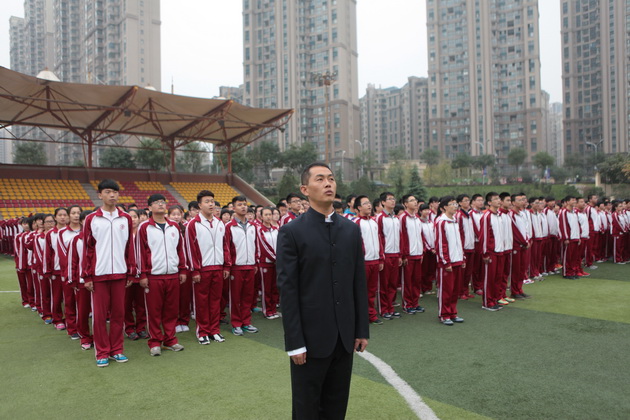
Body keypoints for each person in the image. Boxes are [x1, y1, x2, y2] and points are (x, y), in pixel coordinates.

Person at [276, 162, 369, 419]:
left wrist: (361, 329)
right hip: (309, 340)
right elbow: (288, 290)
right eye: (320, 179)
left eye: (331, 178)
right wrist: (295, 342)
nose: (328, 183)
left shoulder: (351, 230)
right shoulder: (291, 232)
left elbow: (358, 282)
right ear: (305, 189)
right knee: (306, 407)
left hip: (344, 338)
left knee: (336, 406)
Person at [82, 179, 136, 367]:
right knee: (99, 316)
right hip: (99, 274)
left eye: (115, 192)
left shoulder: (126, 218)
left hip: (120, 273)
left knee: (118, 314)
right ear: (99, 195)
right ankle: (102, 352)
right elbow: (87, 249)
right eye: (107, 191)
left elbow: (129, 247)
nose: (112, 195)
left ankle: (117, 350)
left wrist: (130, 271)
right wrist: (87, 275)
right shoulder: (92, 219)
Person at [136, 194, 187, 356]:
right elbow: (140, 252)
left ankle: (170, 339)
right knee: (154, 311)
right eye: (156, 203)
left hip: (172, 274)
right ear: (149, 207)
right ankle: (155, 341)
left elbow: (180, 250)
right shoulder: (144, 227)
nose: (160, 205)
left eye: (163, 202)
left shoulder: (174, 226)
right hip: (153, 275)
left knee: (171, 310)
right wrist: (143, 274)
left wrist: (182, 269)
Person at [185, 190, 231, 345]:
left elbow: (225, 246)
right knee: (202, 302)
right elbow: (190, 249)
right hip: (202, 269)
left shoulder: (219, 223)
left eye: (212, 201)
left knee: (216, 301)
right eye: (207, 201)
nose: (211, 204)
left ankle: (214, 330)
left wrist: (226, 266)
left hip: (218, 267)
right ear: (199, 205)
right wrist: (195, 270)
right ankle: (203, 331)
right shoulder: (193, 224)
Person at [225, 195, 259, 336]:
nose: (243, 207)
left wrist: (255, 262)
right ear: (233, 208)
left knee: (248, 296)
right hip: (236, 267)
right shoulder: (229, 226)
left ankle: (246, 322)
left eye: (245, 204)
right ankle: (236, 323)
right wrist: (228, 266)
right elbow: (226, 248)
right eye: (239, 205)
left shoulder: (253, 226)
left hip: (250, 266)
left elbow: (255, 245)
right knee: (235, 297)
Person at [353, 195, 384, 325]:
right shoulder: (355, 223)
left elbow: (379, 240)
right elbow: (354, 244)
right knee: (361, 290)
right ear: (359, 207)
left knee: (372, 290)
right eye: (365, 203)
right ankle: (360, 316)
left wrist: (381, 258)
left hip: (375, 261)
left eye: (369, 203)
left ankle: (371, 314)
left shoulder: (374, 222)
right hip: (363, 262)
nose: (369, 205)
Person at [435, 196, 465, 325]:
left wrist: (462, 257)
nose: (455, 206)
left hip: (457, 259)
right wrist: (445, 261)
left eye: (456, 204)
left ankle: (453, 312)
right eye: (452, 204)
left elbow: (459, 241)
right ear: (445, 207)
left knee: (455, 290)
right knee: (446, 290)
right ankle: (444, 314)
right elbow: (441, 243)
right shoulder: (441, 222)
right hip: (447, 262)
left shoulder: (455, 220)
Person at [68, 210, 94, 350]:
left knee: (99, 312)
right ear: (82, 222)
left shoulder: (101, 238)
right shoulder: (76, 240)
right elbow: (72, 261)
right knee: (83, 311)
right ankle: (84, 336)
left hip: (100, 280)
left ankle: (98, 336)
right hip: (82, 281)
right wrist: (73, 280)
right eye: (86, 220)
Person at [57, 205, 83, 339]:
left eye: (78, 213)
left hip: (85, 273)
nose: (76, 215)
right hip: (69, 272)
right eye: (73, 213)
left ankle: (83, 328)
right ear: (68, 215)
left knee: (83, 303)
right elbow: (63, 255)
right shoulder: (62, 233)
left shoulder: (87, 230)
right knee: (70, 301)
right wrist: (70, 271)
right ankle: (72, 328)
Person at [375, 191, 402, 320]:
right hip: (385, 254)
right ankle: (384, 309)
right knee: (384, 284)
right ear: (383, 202)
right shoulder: (380, 218)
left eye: (393, 198)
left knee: (393, 283)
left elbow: (400, 237)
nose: (393, 201)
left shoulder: (396, 218)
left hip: (395, 254)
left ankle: (391, 307)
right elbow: (378, 237)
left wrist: (400, 254)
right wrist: (381, 256)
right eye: (390, 199)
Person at [479, 192, 506, 311]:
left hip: (500, 251)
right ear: (489, 202)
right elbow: (484, 236)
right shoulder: (487, 216)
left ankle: (494, 299)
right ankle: (487, 302)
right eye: (495, 199)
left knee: (497, 277)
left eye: (499, 198)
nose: (498, 201)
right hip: (491, 252)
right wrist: (485, 253)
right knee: (489, 278)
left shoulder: (499, 215)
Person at [399, 194, 425, 315]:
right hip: (408, 255)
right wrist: (404, 255)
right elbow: (402, 237)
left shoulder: (417, 218)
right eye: (412, 200)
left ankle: (415, 303)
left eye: (415, 200)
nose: (415, 202)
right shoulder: (403, 218)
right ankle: (407, 304)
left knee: (416, 280)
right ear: (405, 204)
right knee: (407, 281)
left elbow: (420, 236)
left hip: (418, 254)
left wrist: (422, 251)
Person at [124, 208, 147, 340]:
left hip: (142, 274)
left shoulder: (143, 233)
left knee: (141, 304)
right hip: (127, 275)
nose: (132, 219)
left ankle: (141, 328)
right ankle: (129, 328)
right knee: (126, 304)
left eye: (135, 217)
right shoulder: (123, 234)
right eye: (130, 217)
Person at [256, 206, 281, 319]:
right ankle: (267, 311)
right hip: (265, 263)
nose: (268, 217)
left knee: (275, 287)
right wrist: (275, 258)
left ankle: (273, 309)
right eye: (265, 215)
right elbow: (264, 247)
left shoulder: (276, 230)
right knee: (266, 288)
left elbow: (280, 244)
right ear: (261, 217)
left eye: (270, 214)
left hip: (276, 263)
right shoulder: (259, 230)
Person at [558, 196, 581, 278]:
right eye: (572, 200)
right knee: (567, 257)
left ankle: (572, 271)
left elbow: (577, 225)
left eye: (575, 200)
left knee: (574, 257)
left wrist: (578, 236)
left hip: (575, 237)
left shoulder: (574, 212)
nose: (574, 201)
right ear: (567, 202)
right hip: (569, 238)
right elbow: (563, 225)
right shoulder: (564, 212)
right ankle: (566, 272)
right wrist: (565, 237)